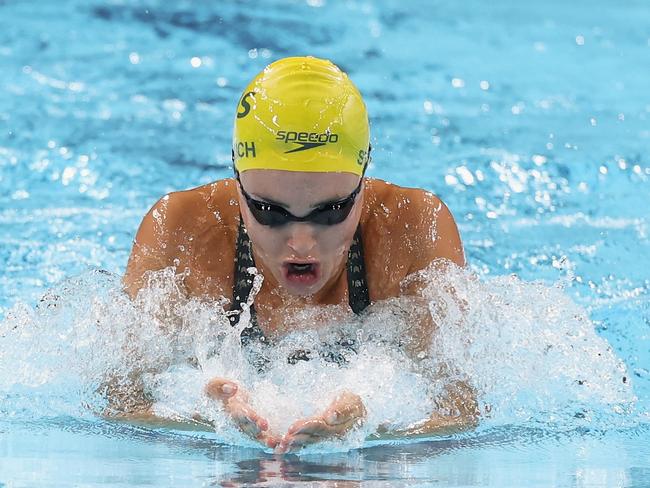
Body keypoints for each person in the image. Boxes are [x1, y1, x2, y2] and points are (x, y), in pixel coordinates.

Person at [122, 56, 478, 453]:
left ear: (364, 178)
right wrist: (201, 414)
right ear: (236, 178)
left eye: (332, 210)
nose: (302, 243)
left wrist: (372, 423)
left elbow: (461, 411)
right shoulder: (181, 231)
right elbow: (118, 401)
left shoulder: (413, 232)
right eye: (269, 212)